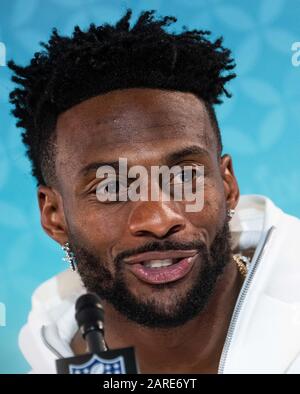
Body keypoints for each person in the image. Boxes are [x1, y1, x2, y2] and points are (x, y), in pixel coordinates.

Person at [9, 10, 300, 374]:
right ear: (54, 215)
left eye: (184, 176)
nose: (159, 220)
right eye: (111, 187)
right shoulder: (51, 350)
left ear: (227, 185)